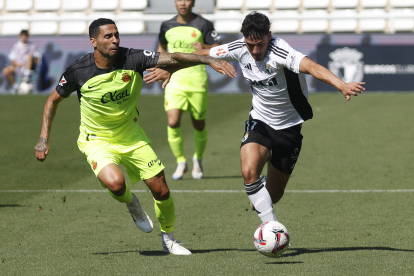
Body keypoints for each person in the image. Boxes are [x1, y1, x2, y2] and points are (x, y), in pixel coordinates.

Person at [34, 18, 235, 255]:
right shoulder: (78, 71)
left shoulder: (133, 58)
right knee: (117, 184)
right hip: (96, 140)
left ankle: (169, 240)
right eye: (108, 36)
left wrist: (208, 59)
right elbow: (51, 102)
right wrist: (43, 138)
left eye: (117, 35)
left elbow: (175, 57)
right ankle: (132, 203)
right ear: (93, 42)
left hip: (131, 135)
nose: (115, 40)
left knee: (162, 191)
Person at [146, 12, 364, 227]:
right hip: (259, 122)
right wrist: (172, 69)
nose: (255, 50)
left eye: (260, 44)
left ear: (269, 35)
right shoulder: (240, 48)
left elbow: (313, 67)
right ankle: (272, 228)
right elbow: (205, 55)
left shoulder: (282, 51)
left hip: (289, 128)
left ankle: (260, 199)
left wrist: (342, 85)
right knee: (249, 172)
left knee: (274, 195)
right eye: (251, 45)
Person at [156, 0, 221, 180]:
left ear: (192, 2)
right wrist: (159, 65)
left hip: (196, 80)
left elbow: (219, 47)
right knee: (173, 121)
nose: (182, 3)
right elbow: (161, 47)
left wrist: (206, 47)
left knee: (198, 123)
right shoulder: (166, 25)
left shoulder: (204, 24)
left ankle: (198, 159)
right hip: (174, 80)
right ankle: (180, 162)